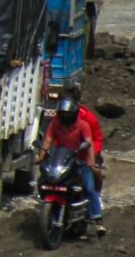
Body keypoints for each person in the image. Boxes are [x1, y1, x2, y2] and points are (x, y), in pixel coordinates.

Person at [43, 90, 106, 230]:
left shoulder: (87, 120)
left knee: (91, 183)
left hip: (85, 155)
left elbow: (95, 140)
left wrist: (91, 159)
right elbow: (51, 139)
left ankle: (96, 215)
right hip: (66, 156)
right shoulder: (58, 120)